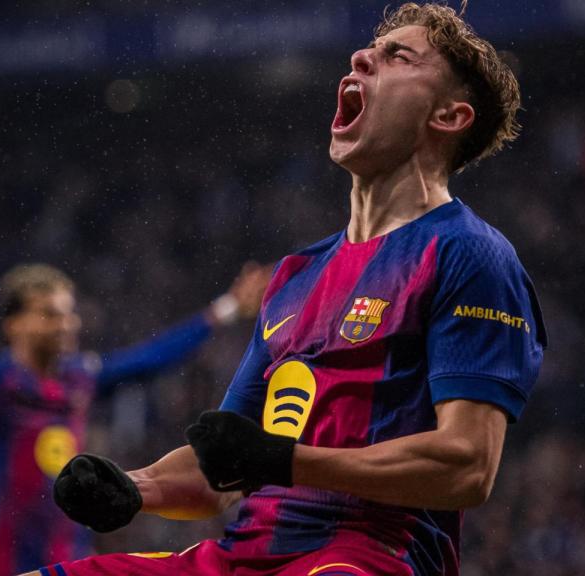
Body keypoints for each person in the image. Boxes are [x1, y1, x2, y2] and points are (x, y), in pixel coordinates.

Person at [33, 2, 547, 575]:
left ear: (449, 117)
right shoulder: (295, 276)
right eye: (367, 51)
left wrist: (287, 461)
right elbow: (225, 465)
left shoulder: (469, 254)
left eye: (397, 56)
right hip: (243, 555)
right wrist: (133, 486)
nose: (360, 58)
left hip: (368, 553)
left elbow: (468, 466)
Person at [0, 256, 270, 576]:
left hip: (67, 549)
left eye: (68, 314)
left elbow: (149, 360)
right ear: (13, 323)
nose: (67, 324)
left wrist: (226, 309)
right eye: (50, 314)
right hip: (1, 555)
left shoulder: (80, 378)